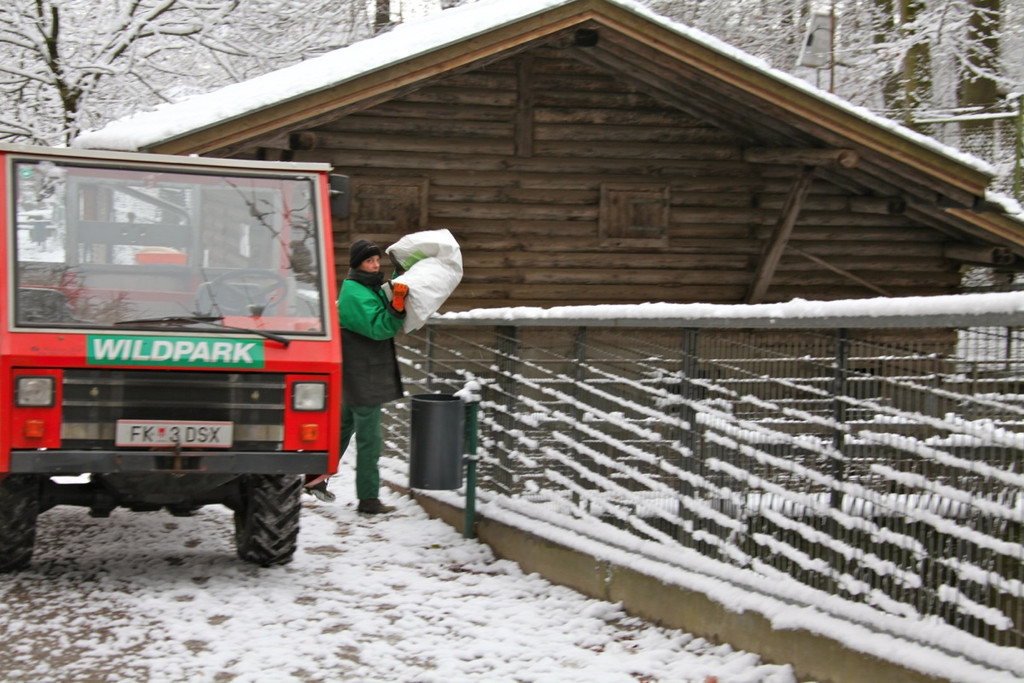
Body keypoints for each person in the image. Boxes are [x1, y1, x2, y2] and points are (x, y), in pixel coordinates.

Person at [307, 239, 408, 514]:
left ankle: (314, 478)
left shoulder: (364, 287)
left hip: (358, 371)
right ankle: (368, 499)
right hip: (363, 375)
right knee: (369, 439)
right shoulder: (354, 293)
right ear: (357, 264)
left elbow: (380, 300)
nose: (375, 265)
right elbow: (380, 327)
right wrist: (398, 306)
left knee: (342, 428)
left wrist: (400, 278)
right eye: (369, 261)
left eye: (376, 260)